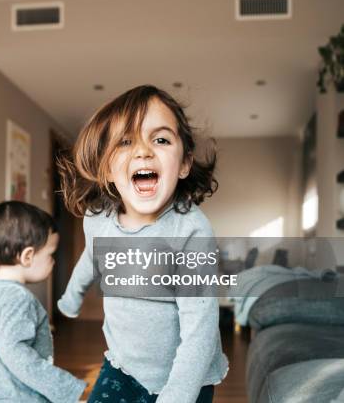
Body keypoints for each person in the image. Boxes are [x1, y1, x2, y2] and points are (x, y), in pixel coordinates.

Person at [57, 85, 229, 403]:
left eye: (160, 139)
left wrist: (177, 394)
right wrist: (72, 297)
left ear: (184, 163)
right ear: (107, 168)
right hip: (122, 365)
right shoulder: (98, 219)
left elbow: (201, 327)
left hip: (188, 377)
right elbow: (91, 256)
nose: (143, 151)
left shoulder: (191, 233)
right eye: (125, 142)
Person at [0, 201, 86, 403]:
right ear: (28, 256)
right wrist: (64, 386)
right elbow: (16, 354)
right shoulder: (19, 299)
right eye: (51, 254)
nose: (54, 261)